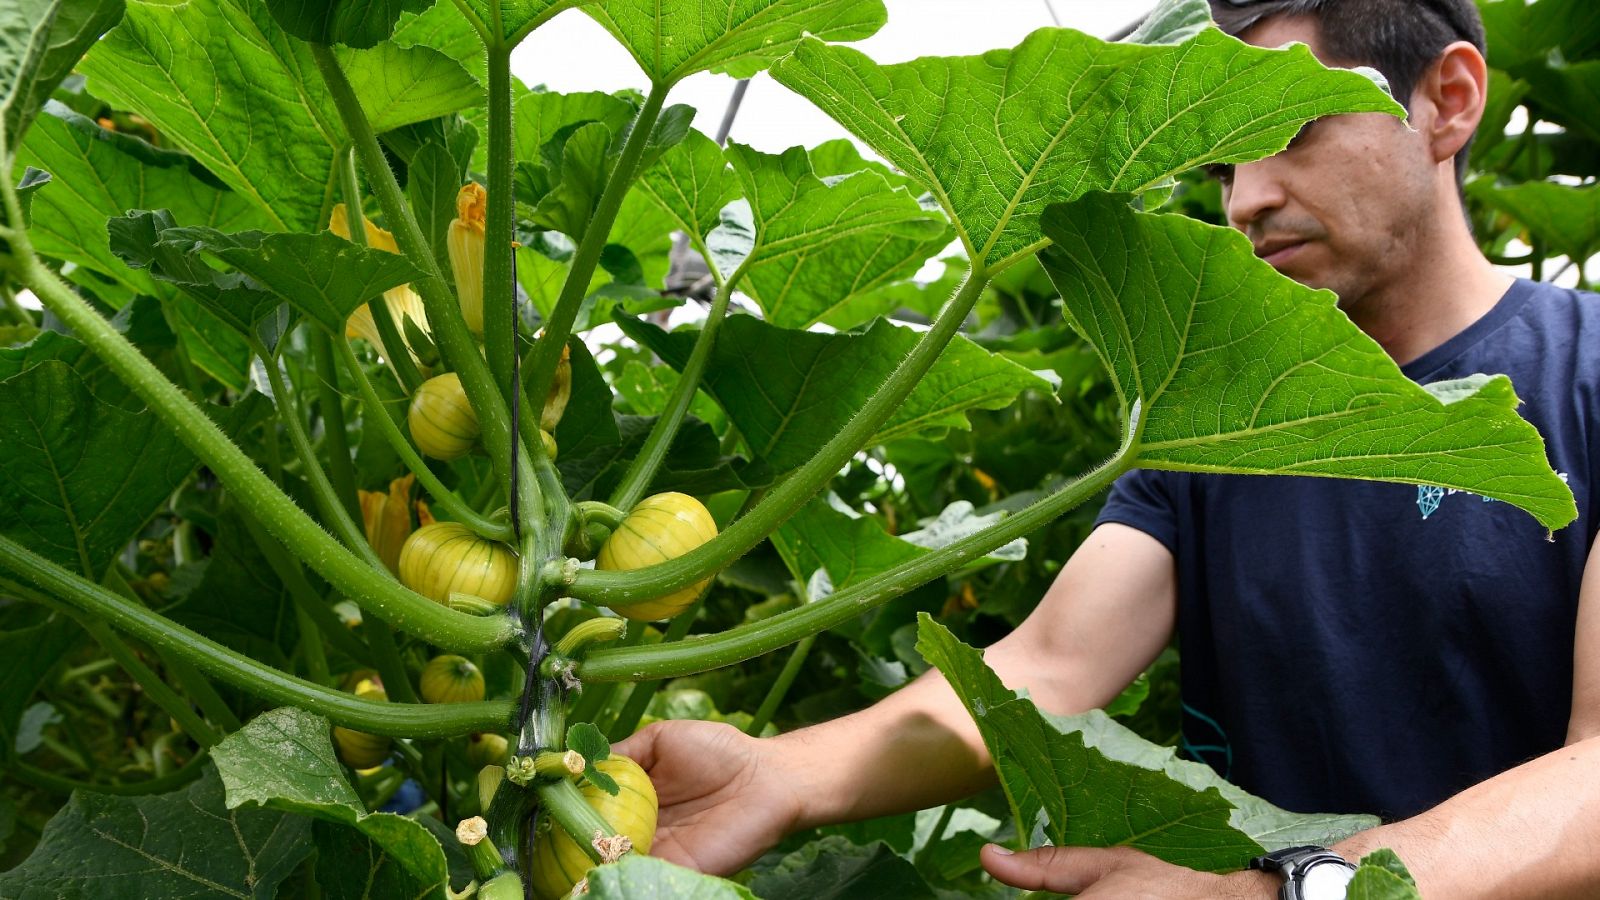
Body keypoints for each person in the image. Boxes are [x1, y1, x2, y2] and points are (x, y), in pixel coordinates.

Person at [617, 1, 1600, 896]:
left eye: (1290, 135)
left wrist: (1284, 892)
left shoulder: (1588, 374)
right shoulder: (1198, 403)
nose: (1244, 202)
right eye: (1222, 167)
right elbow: (1045, 668)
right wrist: (777, 773)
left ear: (1450, 100)